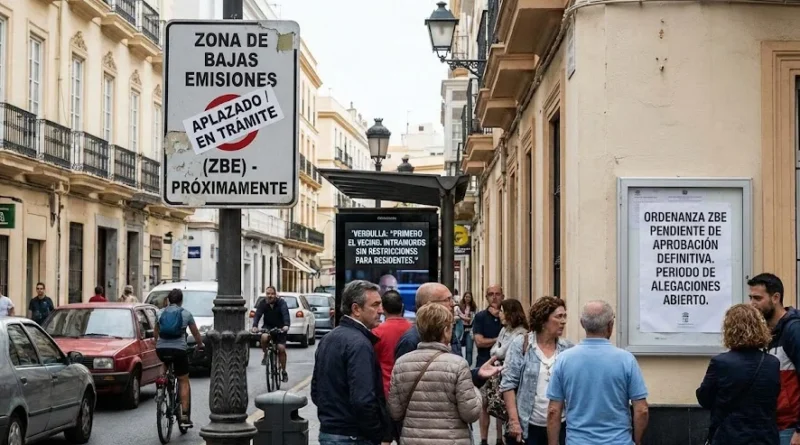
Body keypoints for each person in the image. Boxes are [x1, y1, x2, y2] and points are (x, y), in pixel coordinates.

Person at [546, 300, 649, 445]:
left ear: (582, 323)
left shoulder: (564, 359)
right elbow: (642, 409)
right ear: (610, 325)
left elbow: (553, 410)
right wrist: (636, 441)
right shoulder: (626, 360)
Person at [388, 303, 481, 445]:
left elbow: (395, 412)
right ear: (445, 331)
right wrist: (475, 391)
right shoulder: (458, 365)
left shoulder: (401, 363)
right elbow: (471, 413)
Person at [311, 280, 388, 445]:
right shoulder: (360, 344)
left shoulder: (328, 338)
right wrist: (377, 433)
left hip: (330, 432)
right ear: (356, 309)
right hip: (353, 436)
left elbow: (316, 392)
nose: (381, 310)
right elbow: (363, 400)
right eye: (375, 305)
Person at [696, 303, 780, 445]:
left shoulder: (721, 362)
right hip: (765, 438)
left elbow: (704, 399)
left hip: (730, 436)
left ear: (729, 329)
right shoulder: (772, 363)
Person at [501, 297, 573, 445]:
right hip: (529, 426)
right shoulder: (522, 344)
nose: (564, 321)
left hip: (561, 425)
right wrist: (514, 422)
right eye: (559, 316)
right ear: (543, 320)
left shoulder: (567, 349)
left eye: (565, 316)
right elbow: (508, 384)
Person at [748, 273, 800, 445]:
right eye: (750, 298)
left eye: (757, 298)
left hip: (790, 427)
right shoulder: (766, 333)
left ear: (775, 298)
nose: (752, 304)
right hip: (770, 426)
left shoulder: (793, 331)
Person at [154, 289, 204, 427]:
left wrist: (157, 345)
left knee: (165, 361)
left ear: (169, 300)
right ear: (181, 300)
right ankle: (184, 416)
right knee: (183, 380)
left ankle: (161, 384)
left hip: (162, 349)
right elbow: (196, 333)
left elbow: (156, 333)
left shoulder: (159, 313)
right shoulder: (186, 314)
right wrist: (200, 345)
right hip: (179, 350)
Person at [373, 290, 412, 445]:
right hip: (408, 392)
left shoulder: (376, 333)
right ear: (402, 306)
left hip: (385, 392)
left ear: (383, 308)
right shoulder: (413, 330)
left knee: (385, 438)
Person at [394, 282, 461, 360]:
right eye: (447, 300)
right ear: (429, 305)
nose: (453, 304)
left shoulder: (448, 332)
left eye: (452, 299)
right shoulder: (410, 341)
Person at [474, 285, 505, 445]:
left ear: (502, 296)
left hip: (503, 366)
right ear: (486, 297)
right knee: (484, 403)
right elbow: (479, 342)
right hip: (483, 364)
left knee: (501, 402)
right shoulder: (480, 317)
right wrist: (500, 340)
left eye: (497, 294)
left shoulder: (506, 318)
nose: (494, 297)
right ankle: (484, 440)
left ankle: (500, 438)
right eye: (491, 294)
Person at [250, 286, 290, 382]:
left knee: (281, 349)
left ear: (275, 295)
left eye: (272, 294)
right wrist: (255, 326)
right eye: (268, 294)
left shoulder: (281, 303)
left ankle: (283, 371)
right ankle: (265, 354)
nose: (270, 296)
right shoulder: (263, 303)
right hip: (268, 327)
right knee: (264, 337)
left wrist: (286, 325)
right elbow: (258, 314)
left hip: (280, 328)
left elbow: (285, 315)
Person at [456, 291, 477, 366]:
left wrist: (467, 319)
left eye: (469, 297)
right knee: (457, 347)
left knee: (469, 349)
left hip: (469, 329)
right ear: (464, 297)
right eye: (466, 297)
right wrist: (464, 318)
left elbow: (473, 318)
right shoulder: (459, 306)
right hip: (460, 329)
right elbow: (458, 315)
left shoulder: (473, 307)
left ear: (471, 298)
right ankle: (459, 364)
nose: (467, 298)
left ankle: (468, 365)